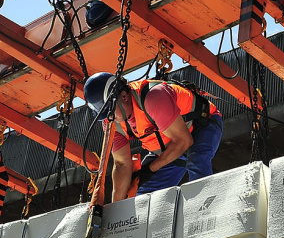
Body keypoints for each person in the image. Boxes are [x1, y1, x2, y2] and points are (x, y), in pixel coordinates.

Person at [84, 73, 224, 203]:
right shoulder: (110, 122)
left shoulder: (153, 97)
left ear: (124, 96)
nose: (109, 117)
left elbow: (184, 141)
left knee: (197, 161)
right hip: (170, 147)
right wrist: (117, 209)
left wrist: (151, 168)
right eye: (104, 114)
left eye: (109, 110)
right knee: (141, 194)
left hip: (201, 125)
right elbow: (121, 164)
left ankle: (203, 208)